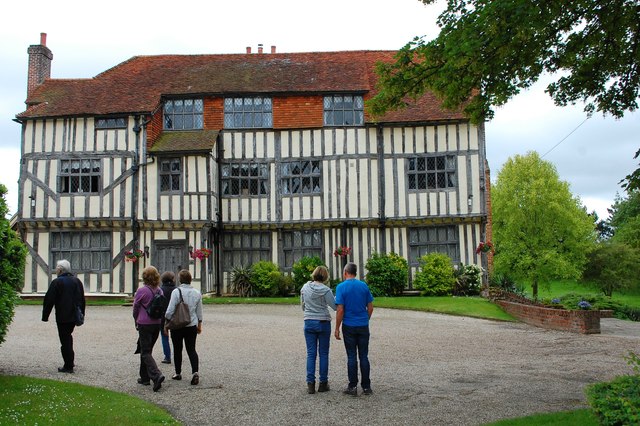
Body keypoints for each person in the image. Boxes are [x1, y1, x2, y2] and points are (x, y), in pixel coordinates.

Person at [334, 262, 374, 396]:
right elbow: (370, 307)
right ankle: (366, 387)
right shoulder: (363, 286)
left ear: (345, 272)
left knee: (351, 356)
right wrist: (365, 319)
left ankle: (352, 386)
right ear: (355, 272)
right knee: (364, 355)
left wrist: (337, 328)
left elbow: (340, 309)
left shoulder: (341, 287)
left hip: (349, 325)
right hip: (362, 324)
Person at [42, 259, 85, 373]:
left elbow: (49, 300)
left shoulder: (57, 282)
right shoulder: (77, 281)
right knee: (68, 337)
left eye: (57, 267)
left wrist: (45, 316)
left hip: (62, 316)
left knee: (65, 340)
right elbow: (82, 299)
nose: (56, 269)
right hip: (74, 315)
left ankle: (68, 365)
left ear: (60, 269)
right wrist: (82, 314)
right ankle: (70, 361)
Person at [300, 265, 336, 394]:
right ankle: (323, 383)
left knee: (311, 354)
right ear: (325, 276)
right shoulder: (326, 290)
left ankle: (310, 384)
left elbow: (303, 306)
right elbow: (335, 306)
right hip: (323, 322)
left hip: (309, 321)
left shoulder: (304, 288)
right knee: (323, 353)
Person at [164, 269, 203, 385]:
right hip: (191, 324)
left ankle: (178, 373)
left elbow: (170, 310)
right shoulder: (197, 293)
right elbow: (199, 311)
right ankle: (195, 372)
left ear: (180, 280)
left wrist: (166, 323)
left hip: (178, 325)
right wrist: (199, 324)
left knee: (177, 349)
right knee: (191, 349)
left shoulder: (176, 292)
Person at [133, 265, 165, 391]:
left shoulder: (142, 291)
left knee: (145, 351)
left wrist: (135, 319)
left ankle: (156, 375)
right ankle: (144, 377)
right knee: (146, 349)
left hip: (144, 324)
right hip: (156, 323)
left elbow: (135, 308)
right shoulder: (159, 291)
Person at [160, 271, 177, 364]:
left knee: (164, 336)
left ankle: (167, 356)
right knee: (175, 337)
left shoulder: (160, 290)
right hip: (175, 317)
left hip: (163, 316)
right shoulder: (176, 290)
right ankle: (177, 354)